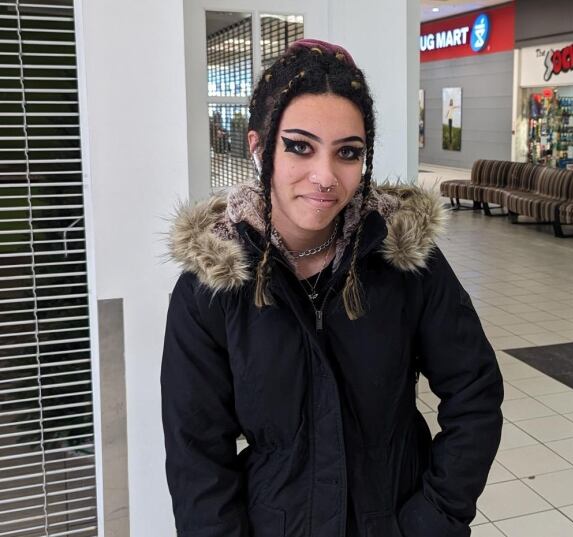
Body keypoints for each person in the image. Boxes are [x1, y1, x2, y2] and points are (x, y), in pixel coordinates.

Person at [162, 39, 503, 537]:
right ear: (259, 148)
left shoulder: (403, 259)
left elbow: (474, 392)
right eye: (299, 146)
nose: (325, 176)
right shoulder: (212, 288)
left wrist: (433, 520)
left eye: (348, 153)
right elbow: (196, 458)